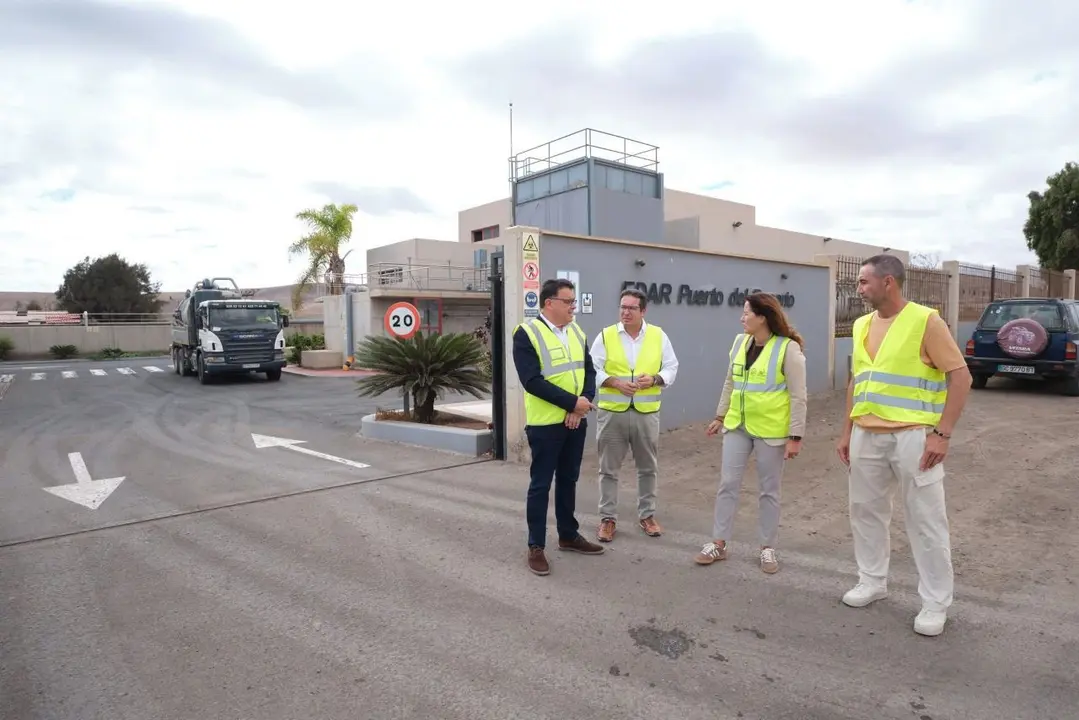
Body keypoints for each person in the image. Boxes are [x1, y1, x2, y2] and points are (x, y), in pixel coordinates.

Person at [835, 254, 972, 637]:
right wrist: (847, 432)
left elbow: (960, 377)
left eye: (863, 282)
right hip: (866, 434)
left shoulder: (925, 320)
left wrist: (942, 434)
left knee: (926, 519)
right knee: (864, 511)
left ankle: (935, 602)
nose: (859, 289)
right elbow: (856, 382)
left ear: (888, 282)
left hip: (914, 437)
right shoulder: (862, 324)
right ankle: (872, 580)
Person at [695, 292, 808, 575]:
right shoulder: (739, 342)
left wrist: (795, 436)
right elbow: (730, 381)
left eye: (747, 313)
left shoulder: (788, 349)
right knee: (728, 483)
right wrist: (720, 416)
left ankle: (767, 547)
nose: (741, 318)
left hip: (771, 430)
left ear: (763, 317)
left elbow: (799, 396)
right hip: (737, 425)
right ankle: (718, 543)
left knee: (769, 490)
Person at [512, 277, 606, 576]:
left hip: (575, 420)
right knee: (541, 485)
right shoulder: (527, 333)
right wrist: (572, 404)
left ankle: (568, 535)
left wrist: (583, 402)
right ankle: (536, 545)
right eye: (568, 302)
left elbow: (589, 370)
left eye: (574, 302)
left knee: (569, 479)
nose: (573, 307)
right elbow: (532, 381)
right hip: (545, 425)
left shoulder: (576, 330)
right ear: (549, 303)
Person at [591, 288, 679, 542]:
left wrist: (655, 379)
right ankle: (607, 519)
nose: (625, 312)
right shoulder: (606, 336)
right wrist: (613, 382)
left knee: (648, 468)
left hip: (645, 413)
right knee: (608, 469)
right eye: (622, 307)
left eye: (631, 308)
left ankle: (647, 515)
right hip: (612, 414)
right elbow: (593, 367)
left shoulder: (658, 336)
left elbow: (672, 366)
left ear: (643, 311)